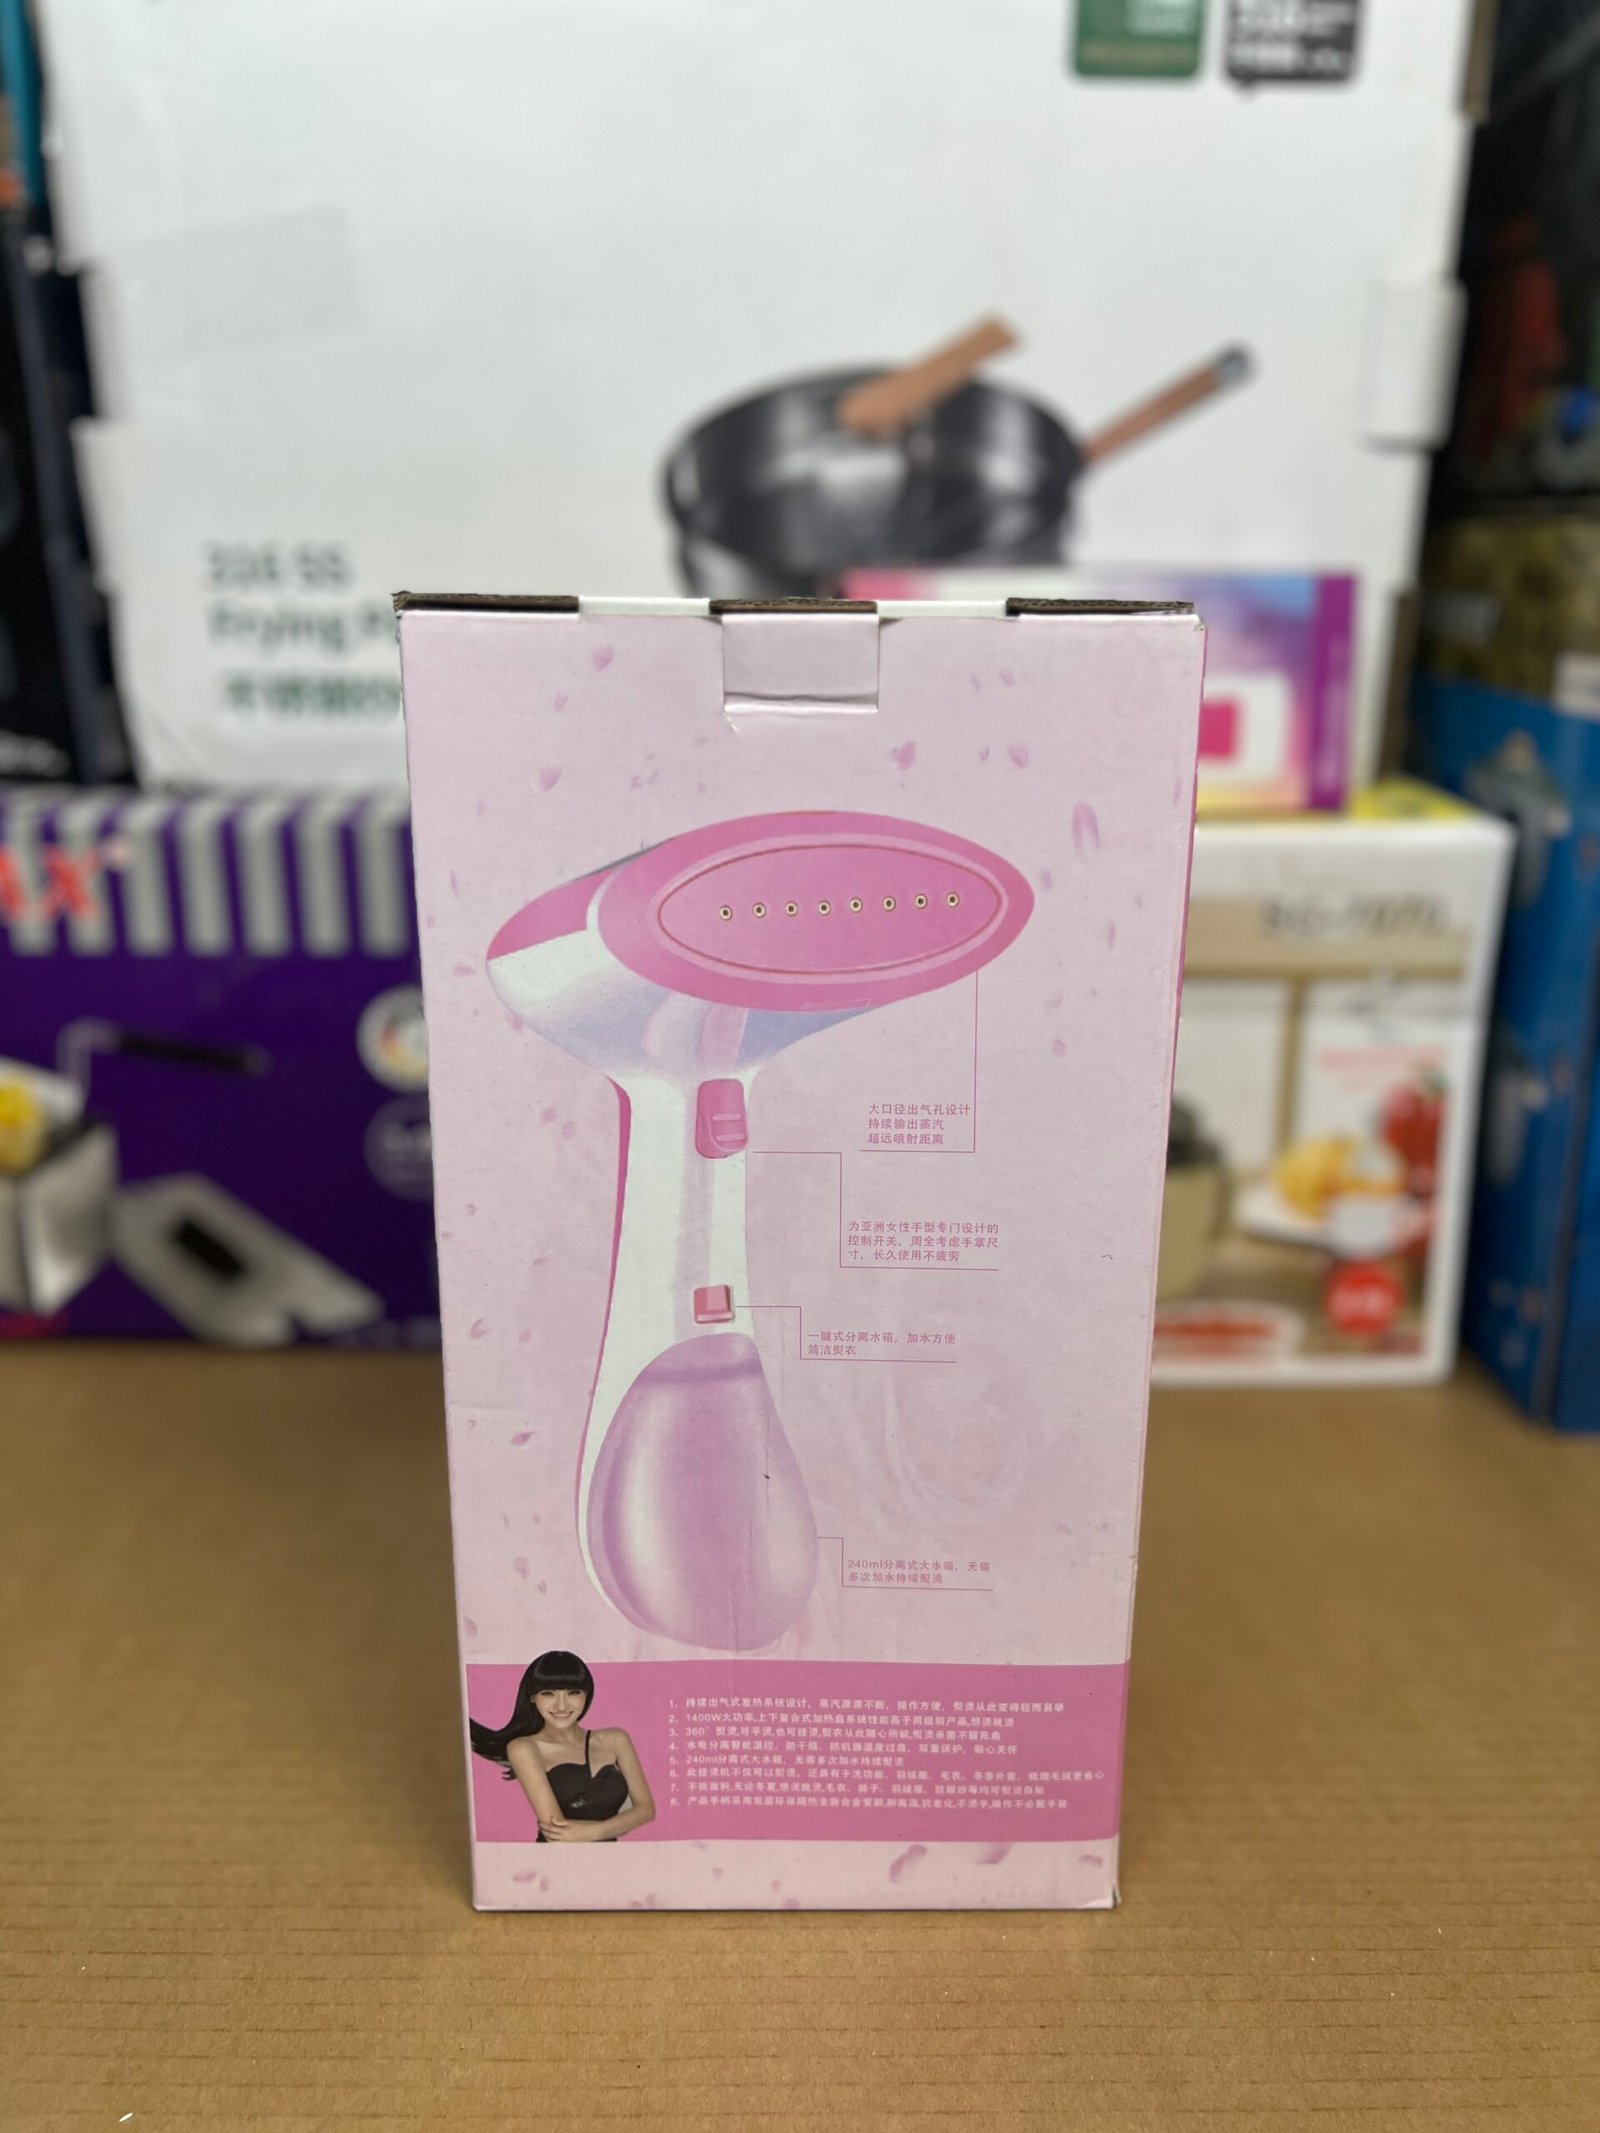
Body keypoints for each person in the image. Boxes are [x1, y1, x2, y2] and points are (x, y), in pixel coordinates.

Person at [469, 1650, 655, 1844]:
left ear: (586, 1694)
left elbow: (646, 1810)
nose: (561, 1706)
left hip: (612, 1856)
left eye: (573, 1692)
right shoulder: (524, 1748)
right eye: (548, 1693)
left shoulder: (616, 1739)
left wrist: (594, 1831)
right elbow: (557, 1834)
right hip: (556, 1857)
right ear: (532, 1697)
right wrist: (618, 1825)